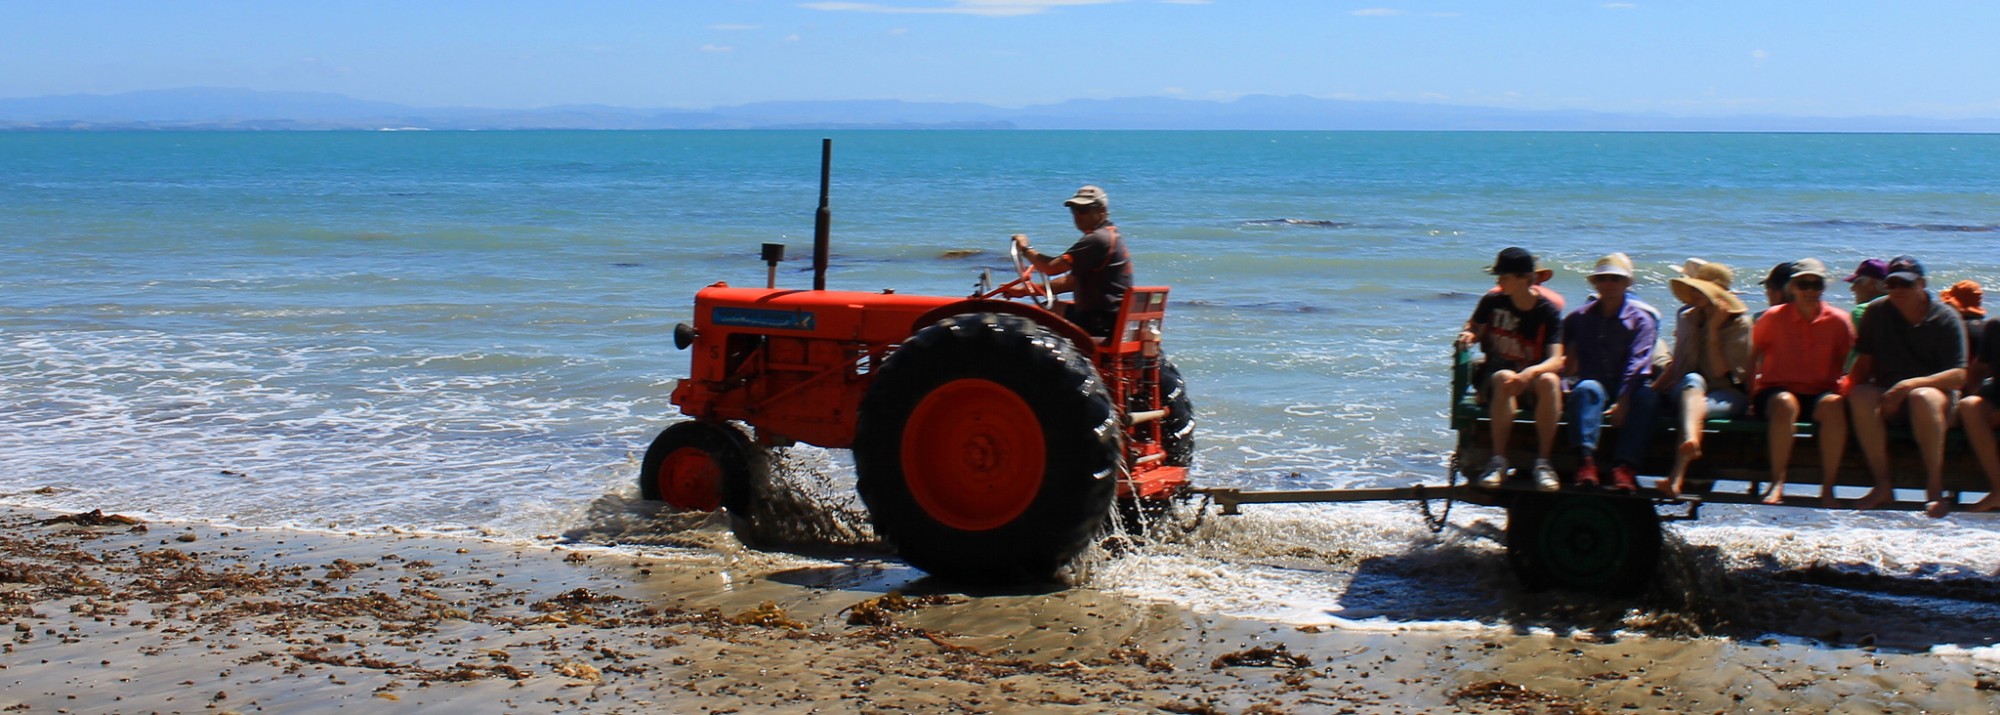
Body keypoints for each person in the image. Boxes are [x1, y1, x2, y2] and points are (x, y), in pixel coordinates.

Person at [1847, 256, 1966, 516]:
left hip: (1935, 402)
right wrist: (1842, 392)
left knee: (1922, 397)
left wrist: (1909, 385)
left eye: (1906, 283)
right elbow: (1864, 364)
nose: (1898, 289)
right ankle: (1883, 485)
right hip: (1890, 399)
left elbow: (1959, 375)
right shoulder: (1876, 312)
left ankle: (1935, 490)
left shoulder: (1945, 317)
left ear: (1921, 284)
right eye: (1892, 283)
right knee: (1860, 395)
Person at [1456, 247, 1565, 491]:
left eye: (1504, 276)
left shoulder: (1547, 311)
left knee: (1549, 380)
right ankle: (1498, 461)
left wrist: (1529, 374)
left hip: (1530, 380)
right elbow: (1475, 327)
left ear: (1524, 279)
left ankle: (1543, 463)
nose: (1499, 281)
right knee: (1505, 377)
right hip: (1496, 376)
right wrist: (1469, 335)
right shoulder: (1492, 301)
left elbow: (1556, 359)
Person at [1748, 259, 1854, 506]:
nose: (1809, 290)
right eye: (1803, 284)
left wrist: (1844, 388)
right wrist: (1750, 396)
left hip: (1819, 391)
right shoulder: (1772, 317)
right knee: (1785, 403)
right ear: (1792, 288)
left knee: (1834, 405)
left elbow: (1847, 360)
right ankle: (1777, 483)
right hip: (1776, 390)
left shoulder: (1839, 320)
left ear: (1823, 288)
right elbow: (1752, 357)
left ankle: (1828, 488)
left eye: (1815, 284)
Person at [1652, 261, 1753, 498]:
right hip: (1689, 387)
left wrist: (1713, 331)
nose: (1694, 294)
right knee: (1693, 381)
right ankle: (1689, 444)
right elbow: (1677, 364)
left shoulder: (1740, 323)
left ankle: (1676, 476)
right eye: (1694, 289)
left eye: (1700, 290)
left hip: (1726, 393)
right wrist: (1653, 389)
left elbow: (1720, 372)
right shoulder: (1686, 317)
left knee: (1693, 404)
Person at [1562, 253, 1660, 491]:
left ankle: (1624, 467)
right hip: (1594, 381)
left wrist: (1624, 399)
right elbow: (1562, 356)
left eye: (1615, 279)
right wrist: (1562, 385)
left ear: (1627, 283)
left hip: (1630, 384)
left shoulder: (1641, 320)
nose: (1608, 284)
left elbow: (1638, 362)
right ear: (1595, 283)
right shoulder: (1578, 318)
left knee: (1647, 399)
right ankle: (1586, 463)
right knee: (1586, 389)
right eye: (1603, 278)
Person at [1009, 185, 1133, 337]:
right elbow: (1070, 282)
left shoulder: (1098, 239)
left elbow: (1050, 268)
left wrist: (1025, 249)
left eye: (1084, 210)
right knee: (1046, 308)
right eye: (1074, 209)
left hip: (1097, 322)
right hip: (1108, 318)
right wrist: (1024, 291)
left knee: (1025, 322)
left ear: (1102, 211)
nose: (1077, 215)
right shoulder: (1110, 235)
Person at [1956, 288, 2000, 512]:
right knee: (1969, 407)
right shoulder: (1994, 327)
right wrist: (1972, 393)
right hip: (1996, 394)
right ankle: (1998, 489)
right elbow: (1978, 369)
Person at [1843, 258, 1889, 328]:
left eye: (1857, 282)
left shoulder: (1862, 311)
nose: (1852, 288)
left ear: (1871, 284)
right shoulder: (1902, 306)